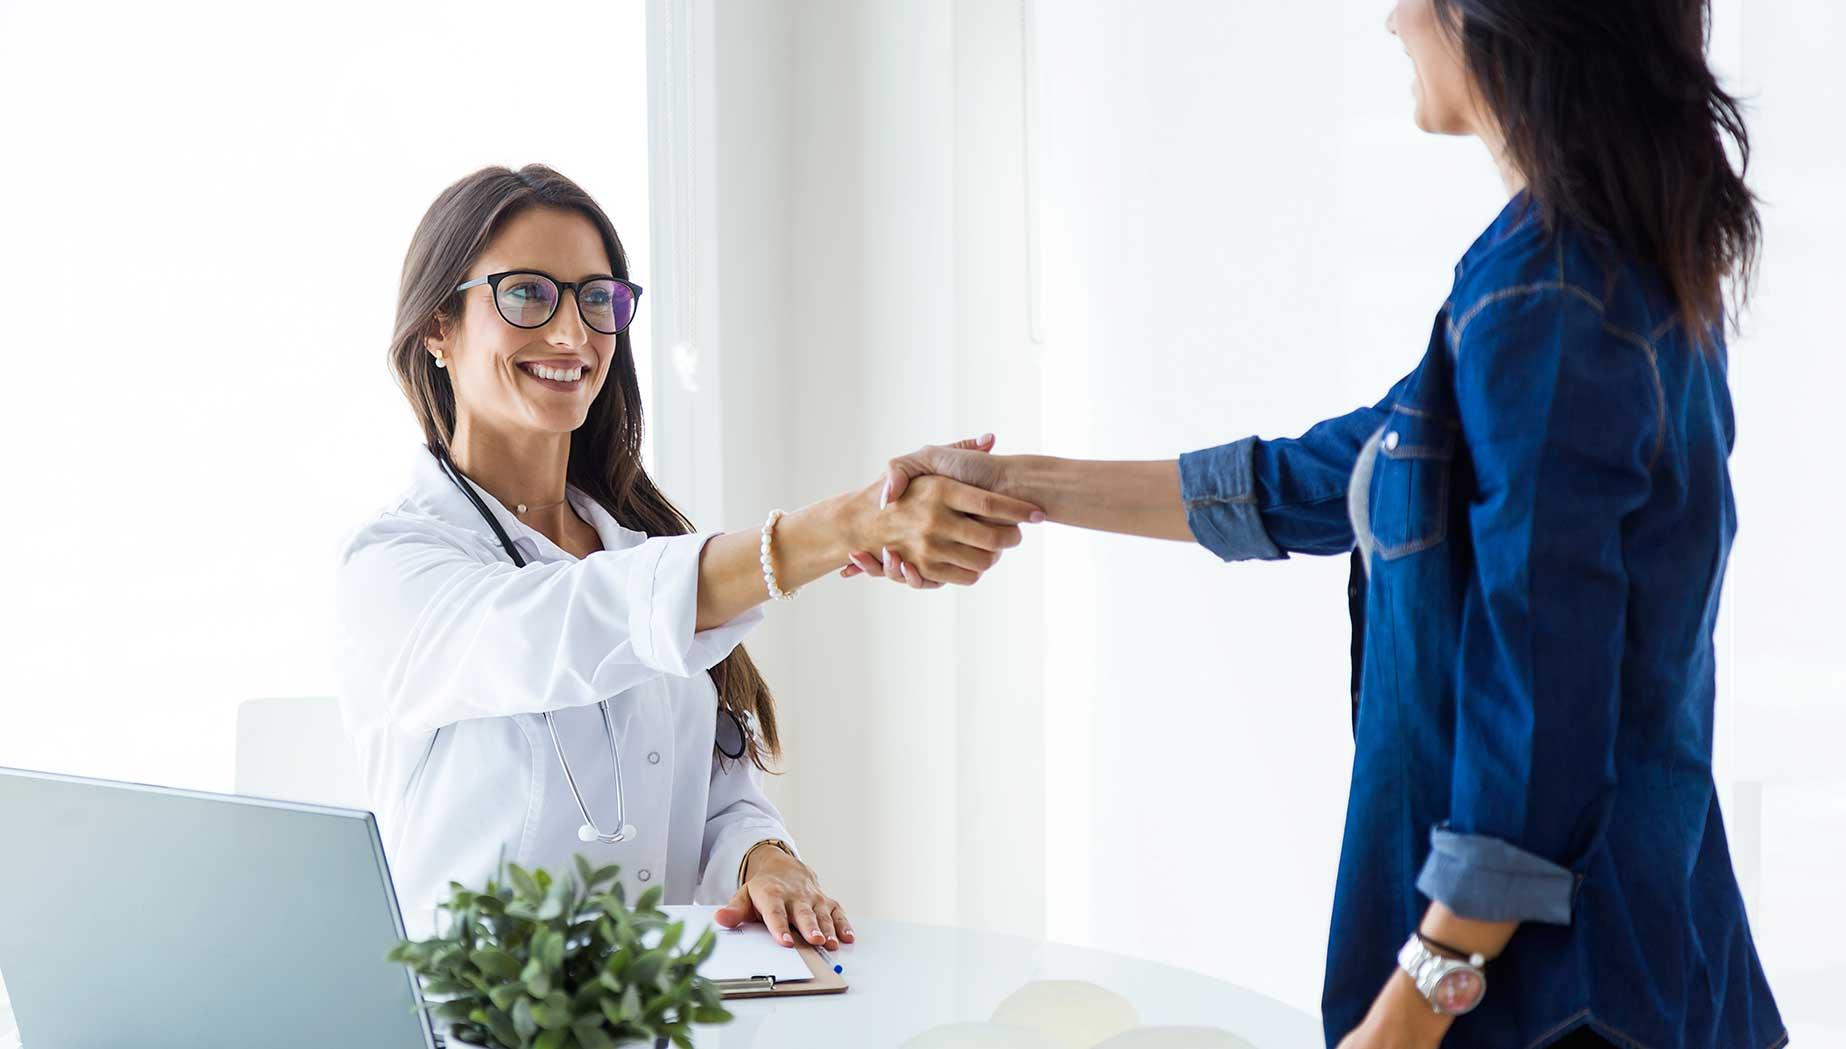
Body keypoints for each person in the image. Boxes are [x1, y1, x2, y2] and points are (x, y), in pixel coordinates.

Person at [859, 1, 1784, 1046]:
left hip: (1558, 996)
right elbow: (1321, 476)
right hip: (1637, 960)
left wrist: (1408, 1008)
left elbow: (1541, 709)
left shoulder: (1551, 302)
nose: (1391, 18)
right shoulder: (1579, 266)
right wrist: (1006, 481)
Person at [334, 164, 1043, 951]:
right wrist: (848, 525)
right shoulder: (395, 566)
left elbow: (709, 791)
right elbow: (562, 628)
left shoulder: (641, 546)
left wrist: (761, 857)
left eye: (596, 299)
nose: (573, 334)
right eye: (528, 294)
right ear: (439, 323)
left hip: (655, 1011)